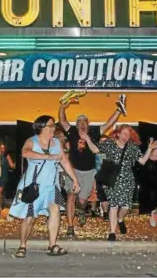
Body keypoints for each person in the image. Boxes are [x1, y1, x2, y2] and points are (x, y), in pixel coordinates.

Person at [9, 115, 80, 258]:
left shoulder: (56, 143)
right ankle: (22, 245)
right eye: (50, 125)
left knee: (55, 210)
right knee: (29, 218)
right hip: (33, 186)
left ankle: (52, 245)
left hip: (51, 186)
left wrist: (75, 180)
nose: (53, 128)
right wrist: (47, 157)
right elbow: (25, 153)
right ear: (41, 127)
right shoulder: (32, 141)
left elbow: (64, 161)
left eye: (54, 125)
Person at [59, 94, 126, 237]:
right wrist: (62, 107)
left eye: (84, 122)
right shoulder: (71, 133)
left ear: (88, 124)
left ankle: (82, 209)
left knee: (82, 201)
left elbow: (109, 123)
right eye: (79, 122)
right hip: (73, 171)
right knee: (71, 195)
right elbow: (62, 120)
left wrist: (119, 110)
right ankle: (70, 227)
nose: (82, 124)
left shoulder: (94, 133)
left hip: (89, 172)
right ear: (76, 124)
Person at [81, 124, 157, 241]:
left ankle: (120, 219)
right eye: (124, 133)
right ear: (118, 133)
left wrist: (149, 148)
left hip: (127, 181)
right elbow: (95, 150)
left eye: (128, 134)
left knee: (126, 206)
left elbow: (142, 161)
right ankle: (112, 232)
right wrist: (87, 139)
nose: (126, 136)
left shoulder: (132, 147)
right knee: (113, 205)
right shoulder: (109, 144)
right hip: (112, 180)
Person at [0, 144, 15, 211]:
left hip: (3, 176)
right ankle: (0, 205)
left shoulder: (7, 156)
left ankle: (0, 207)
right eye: (0, 148)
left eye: (3, 148)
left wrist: (10, 162)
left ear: (5, 149)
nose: (2, 149)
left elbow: (12, 166)